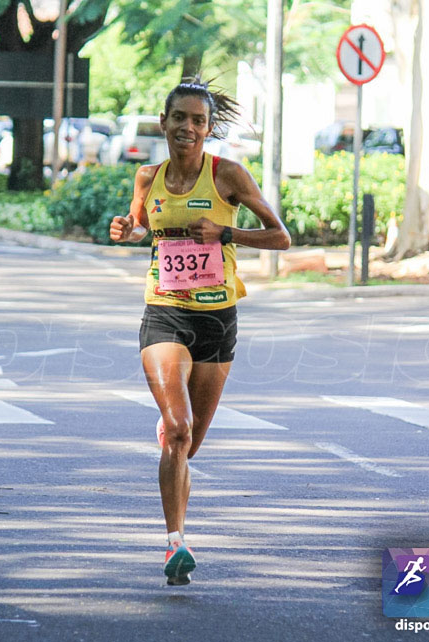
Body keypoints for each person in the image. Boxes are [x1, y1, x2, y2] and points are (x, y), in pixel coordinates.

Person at [109, 78, 290, 585]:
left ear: (209, 130)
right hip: (164, 311)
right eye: (179, 118)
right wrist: (129, 231)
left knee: (190, 445)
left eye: (198, 120)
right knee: (179, 429)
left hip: (217, 318)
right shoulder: (149, 176)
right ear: (163, 122)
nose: (187, 127)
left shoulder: (228, 175)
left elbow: (281, 236)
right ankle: (175, 545)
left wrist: (225, 232)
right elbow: (142, 225)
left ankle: (174, 434)